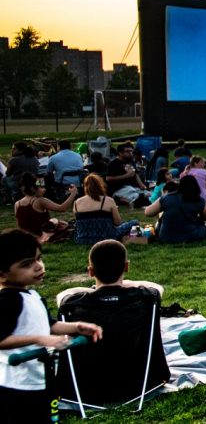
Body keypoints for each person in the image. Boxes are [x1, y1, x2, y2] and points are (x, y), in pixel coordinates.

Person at [0, 230, 104, 423]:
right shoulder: (8, 301)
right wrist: (39, 339)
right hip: (16, 385)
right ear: (2, 273)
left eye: (39, 258)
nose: (38, 266)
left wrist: (76, 327)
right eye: (27, 264)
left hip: (39, 378)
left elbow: (47, 325)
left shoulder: (31, 295)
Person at [55, 239, 166, 309]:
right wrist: (126, 284)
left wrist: (96, 290)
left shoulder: (75, 302)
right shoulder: (146, 296)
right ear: (126, 267)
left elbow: (63, 294)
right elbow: (157, 287)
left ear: (91, 271)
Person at [143, 175, 206, 243]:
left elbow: (147, 212)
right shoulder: (200, 200)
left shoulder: (167, 198)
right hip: (192, 236)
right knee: (205, 225)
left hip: (166, 237)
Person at [73, 174, 138, 244]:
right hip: (107, 236)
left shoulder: (77, 202)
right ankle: (133, 238)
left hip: (83, 239)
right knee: (134, 222)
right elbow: (118, 222)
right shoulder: (108, 200)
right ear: (100, 185)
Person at [13, 173, 76, 241]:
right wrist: (73, 194)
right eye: (41, 187)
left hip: (26, 237)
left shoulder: (17, 204)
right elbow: (62, 208)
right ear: (33, 189)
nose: (45, 189)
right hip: (44, 236)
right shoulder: (40, 200)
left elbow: (26, 222)